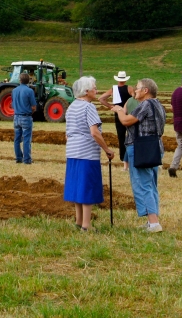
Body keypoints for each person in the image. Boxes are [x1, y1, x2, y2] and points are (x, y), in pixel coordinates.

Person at [113, 78, 167, 233]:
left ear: (145, 91)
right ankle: (152, 221)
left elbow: (126, 121)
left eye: (137, 88)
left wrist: (119, 110)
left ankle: (154, 223)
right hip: (154, 146)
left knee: (143, 184)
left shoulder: (145, 105)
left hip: (140, 147)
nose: (134, 91)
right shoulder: (159, 105)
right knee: (151, 183)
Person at [63, 76, 116, 232]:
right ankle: (87, 225)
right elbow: (94, 132)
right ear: (86, 91)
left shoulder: (72, 106)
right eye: (94, 87)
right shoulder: (89, 107)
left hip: (72, 152)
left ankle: (79, 222)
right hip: (87, 153)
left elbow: (67, 134)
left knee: (78, 187)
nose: (96, 90)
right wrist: (107, 149)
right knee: (87, 188)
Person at [98, 71, 134, 168]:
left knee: (121, 137)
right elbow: (135, 98)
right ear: (125, 79)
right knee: (131, 136)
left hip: (118, 114)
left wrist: (110, 106)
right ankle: (131, 158)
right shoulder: (129, 88)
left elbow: (101, 99)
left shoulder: (113, 89)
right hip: (129, 114)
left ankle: (123, 159)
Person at [12, 73, 37, 164]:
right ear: (28, 81)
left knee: (17, 139)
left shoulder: (14, 90)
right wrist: (31, 112)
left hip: (16, 117)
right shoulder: (29, 91)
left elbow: (13, 104)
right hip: (26, 117)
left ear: (20, 80)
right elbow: (34, 107)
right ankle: (26, 159)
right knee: (26, 139)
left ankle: (18, 157)